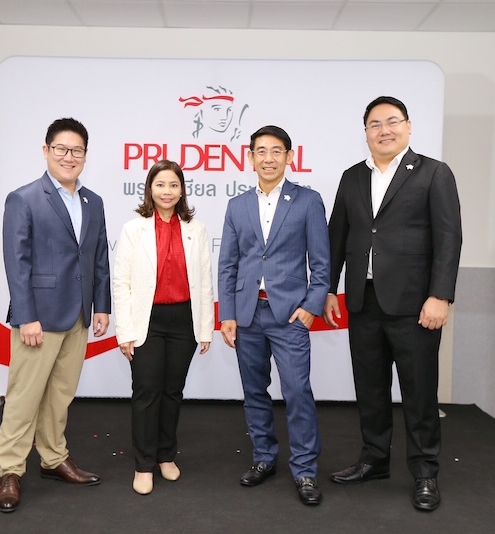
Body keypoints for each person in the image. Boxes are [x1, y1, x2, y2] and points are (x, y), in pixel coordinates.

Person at [324, 96, 462, 512]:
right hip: (363, 301)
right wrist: (328, 289)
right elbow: (337, 238)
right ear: (365, 132)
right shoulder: (352, 177)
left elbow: (449, 238)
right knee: (370, 389)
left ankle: (425, 472)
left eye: (392, 121)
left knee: (419, 393)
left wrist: (440, 295)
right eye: (375, 124)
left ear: (408, 126)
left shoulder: (434, 173)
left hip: (416, 306)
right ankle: (374, 460)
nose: (384, 130)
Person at [0, 117, 111, 513]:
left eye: (76, 150)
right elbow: (17, 263)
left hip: (78, 314)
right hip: (38, 319)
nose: (68, 156)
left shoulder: (93, 202)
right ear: (46, 151)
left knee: (60, 394)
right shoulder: (24, 199)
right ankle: (10, 470)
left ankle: (53, 458)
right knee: (24, 397)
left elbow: (98, 258)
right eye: (61, 149)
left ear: (85, 155)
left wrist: (101, 305)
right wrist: (26, 316)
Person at [218, 125, 330, 506]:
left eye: (276, 151)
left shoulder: (308, 201)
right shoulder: (237, 206)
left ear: (289, 156)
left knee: (297, 391)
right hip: (247, 315)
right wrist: (228, 314)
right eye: (261, 151)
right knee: (254, 391)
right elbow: (228, 265)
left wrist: (311, 307)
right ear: (250, 157)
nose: (268, 158)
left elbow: (321, 262)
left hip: (289, 316)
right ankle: (264, 457)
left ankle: (305, 469)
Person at [113, 159, 215, 496]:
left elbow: (204, 281)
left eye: (173, 185)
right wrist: (125, 332)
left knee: (172, 392)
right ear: (150, 189)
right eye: (160, 185)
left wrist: (205, 328)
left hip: (184, 320)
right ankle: (143, 465)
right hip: (147, 321)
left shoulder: (196, 228)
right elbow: (121, 283)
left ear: (182, 190)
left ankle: (165, 456)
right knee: (147, 392)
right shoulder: (134, 229)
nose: (167, 191)